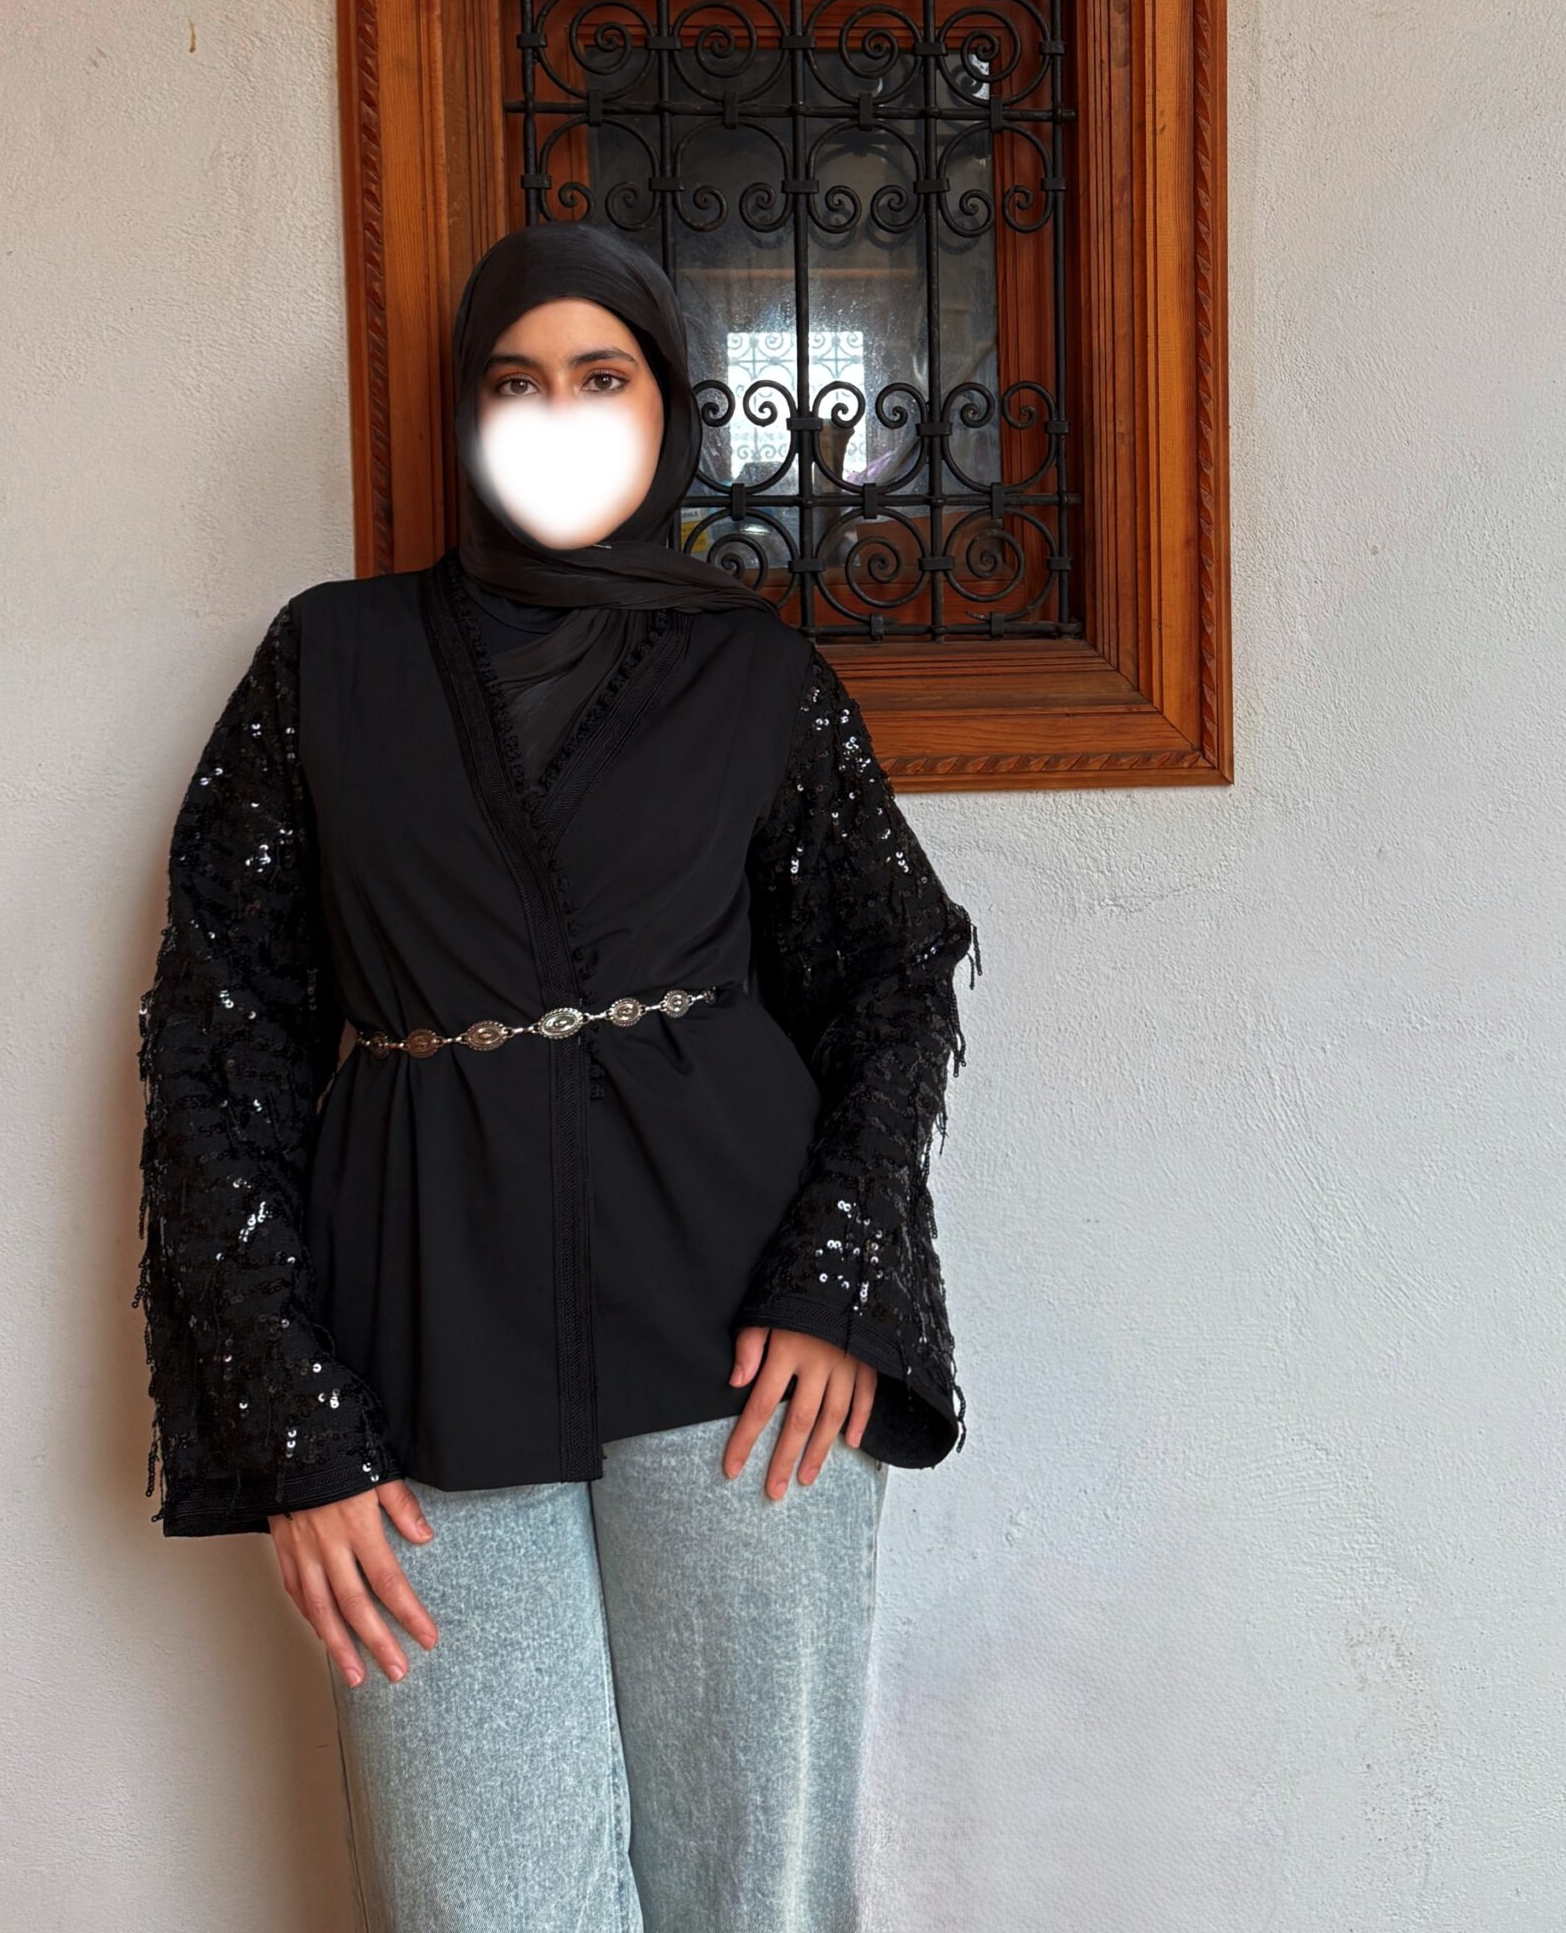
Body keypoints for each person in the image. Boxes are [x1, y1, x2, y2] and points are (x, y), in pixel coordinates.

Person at [132, 223, 982, 1932]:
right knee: (481, 1900)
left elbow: (891, 977)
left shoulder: (755, 672)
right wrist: (295, 1426)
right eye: (516, 382)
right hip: (420, 1339)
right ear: (466, 413)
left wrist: (837, 1284)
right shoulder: (328, 663)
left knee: (754, 1894)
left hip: (741, 1358)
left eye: (603, 378)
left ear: (667, 409)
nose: (560, 415)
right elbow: (218, 1043)